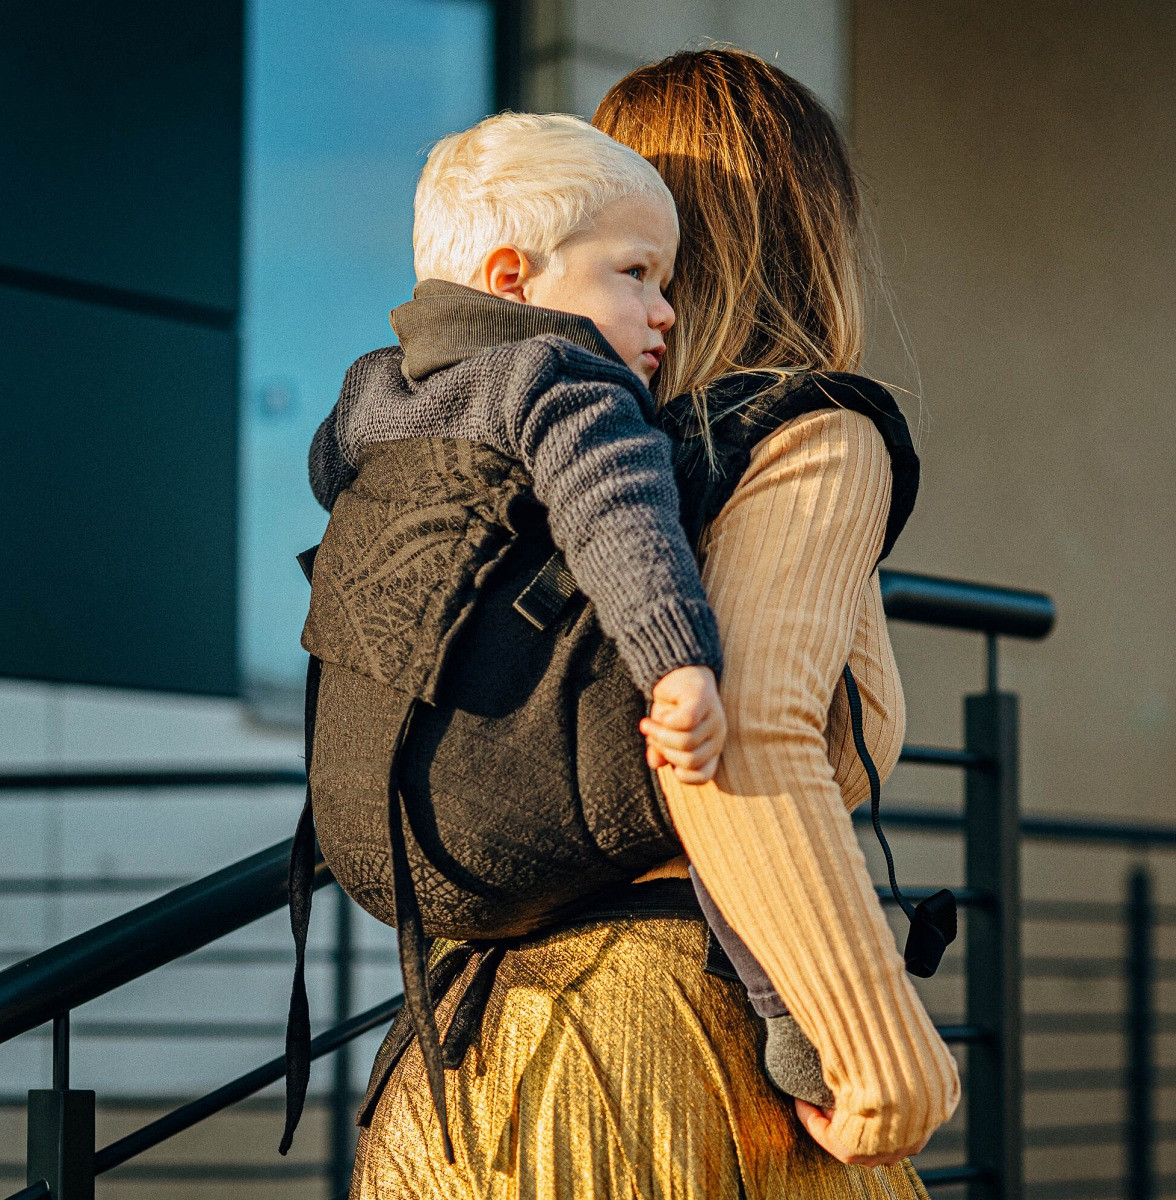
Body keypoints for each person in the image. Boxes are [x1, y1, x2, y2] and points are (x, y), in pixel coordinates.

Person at [345, 49, 960, 1200]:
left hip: (455, 1071)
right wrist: (886, 1062)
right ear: (811, 229)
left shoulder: (518, 444)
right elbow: (754, 740)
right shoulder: (801, 435)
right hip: (660, 1062)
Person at [306, 109, 834, 1115]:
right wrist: (681, 670)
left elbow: (330, 483)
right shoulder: (564, 377)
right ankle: (791, 1019)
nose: (666, 312)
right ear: (512, 282)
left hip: (375, 838)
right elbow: (623, 524)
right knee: (710, 771)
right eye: (637, 274)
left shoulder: (370, 393)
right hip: (520, 815)